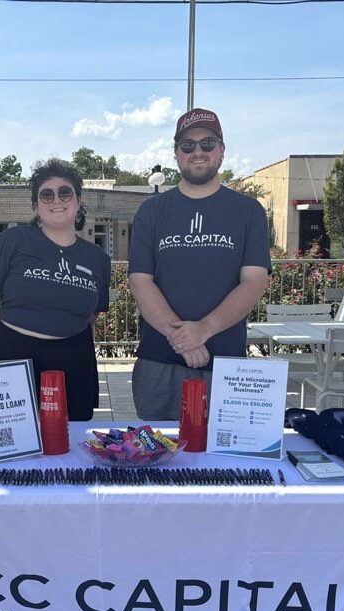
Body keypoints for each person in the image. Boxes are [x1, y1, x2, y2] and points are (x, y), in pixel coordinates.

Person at [128, 107, 271, 421]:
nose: (198, 152)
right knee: (159, 460)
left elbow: (255, 281)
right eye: (188, 145)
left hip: (225, 362)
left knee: (223, 464)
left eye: (207, 144)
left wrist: (205, 329)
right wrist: (184, 339)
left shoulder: (248, 212)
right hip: (159, 360)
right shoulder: (151, 212)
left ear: (221, 151)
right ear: (176, 153)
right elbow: (140, 280)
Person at [0, 159, 111, 421]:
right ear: (36, 207)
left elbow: (92, 314)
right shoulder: (13, 241)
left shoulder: (98, 259)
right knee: (13, 440)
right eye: (46, 195)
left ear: (79, 201)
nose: (56, 200)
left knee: (71, 441)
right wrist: (10, 335)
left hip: (74, 358)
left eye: (65, 192)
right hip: (13, 354)